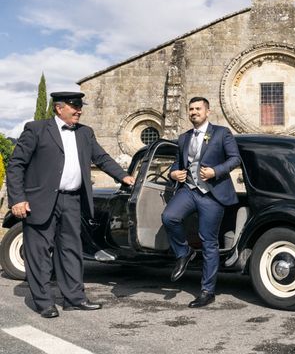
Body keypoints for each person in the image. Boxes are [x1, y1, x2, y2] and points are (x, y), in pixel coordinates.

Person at [6, 92, 135, 318]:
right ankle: (44, 301)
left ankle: (74, 298)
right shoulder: (36, 129)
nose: (79, 110)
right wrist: (17, 199)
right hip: (39, 201)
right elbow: (16, 165)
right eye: (74, 106)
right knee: (39, 253)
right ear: (59, 108)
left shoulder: (85, 133)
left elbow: (102, 158)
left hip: (72, 200)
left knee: (71, 251)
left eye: (80, 106)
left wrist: (124, 176)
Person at [161, 96, 241, 308]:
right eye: (191, 109)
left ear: (207, 112)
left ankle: (207, 291)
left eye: (198, 109)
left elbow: (235, 159)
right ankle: (184, 252)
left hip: (212, 194)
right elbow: (177, 165)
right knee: (169, 217)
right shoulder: (183, 137)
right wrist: (173, 174)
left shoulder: (222, 133)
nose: (194, 112)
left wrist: (216, 171)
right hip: (189, 189)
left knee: (208, 241)